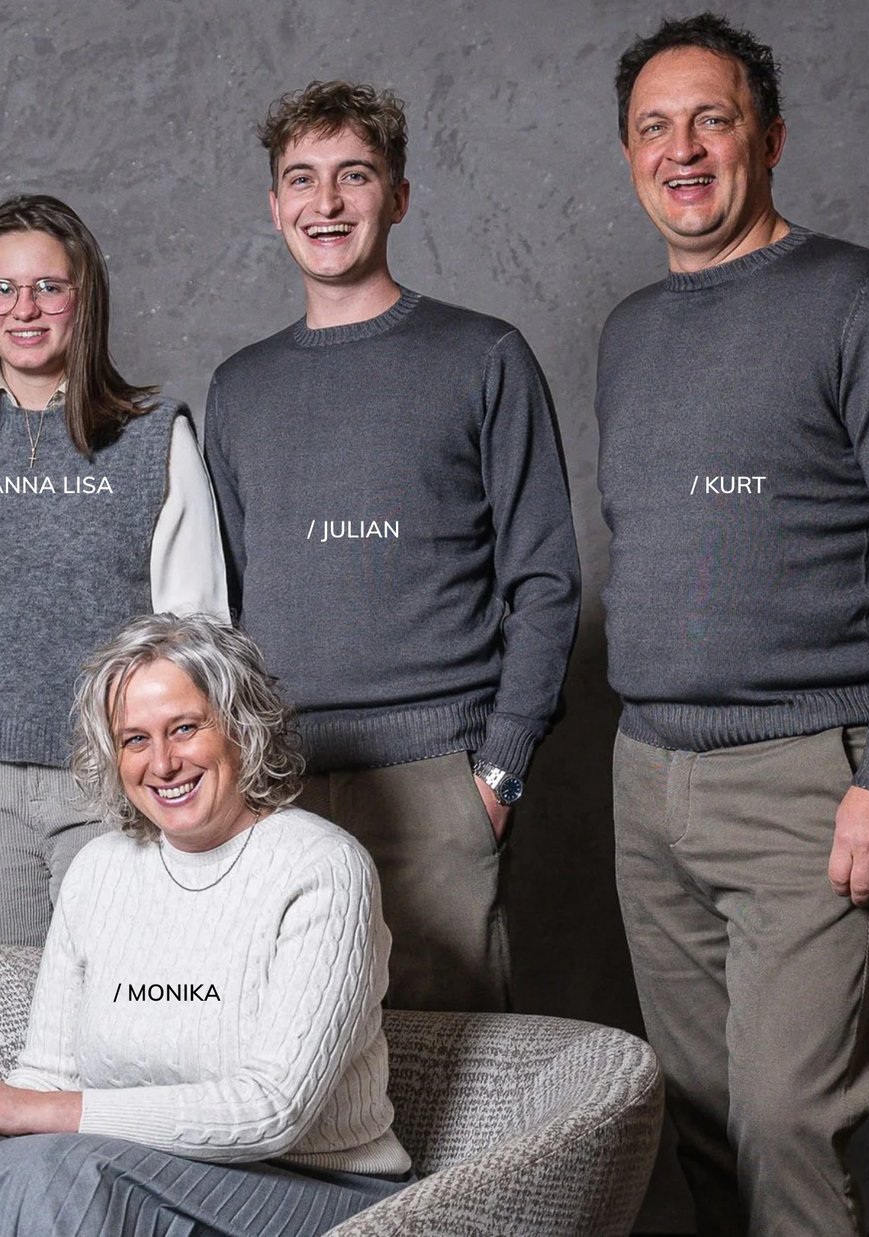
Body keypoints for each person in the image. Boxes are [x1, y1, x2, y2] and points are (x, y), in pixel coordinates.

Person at [598, 15, 869, 1235]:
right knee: (701, 1119)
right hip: (646, 776)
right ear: (627, 157)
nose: (684, 150)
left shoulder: (860, 298)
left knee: (785, 1125)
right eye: (654, 128)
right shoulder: (629, 332)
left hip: (807, 781)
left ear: (768, 136)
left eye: (712, 118)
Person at [202, 81, 580, 1012]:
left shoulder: (483, 356)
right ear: (275, 204)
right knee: (290, 1072)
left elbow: (546, 579)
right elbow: (229, 602)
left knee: (447, 1078)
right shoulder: (240, 388)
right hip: (278, 787)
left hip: (437, 784)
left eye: (353, 176)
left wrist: (497, 771)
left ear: (398, 196)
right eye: (302, 179)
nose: (325, 203)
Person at [0, 614, 409, 1237]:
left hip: (312, 1184)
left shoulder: (322, 866)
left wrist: (25, 1110)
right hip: (140, 1165)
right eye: (134, 739)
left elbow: (273, 1111)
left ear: (242, 729)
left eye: (184, 728)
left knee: (69, 1183)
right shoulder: (98, 869)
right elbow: (49, 1073)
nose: (162, 763)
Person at [0, 194, 225, 947]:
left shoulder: (155, 438)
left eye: (48, 288)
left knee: (125, 1023)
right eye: (2, 288)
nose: (23, 308)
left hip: (119, 789)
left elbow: (201, 644)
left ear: (83, 301)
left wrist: (186, 803)